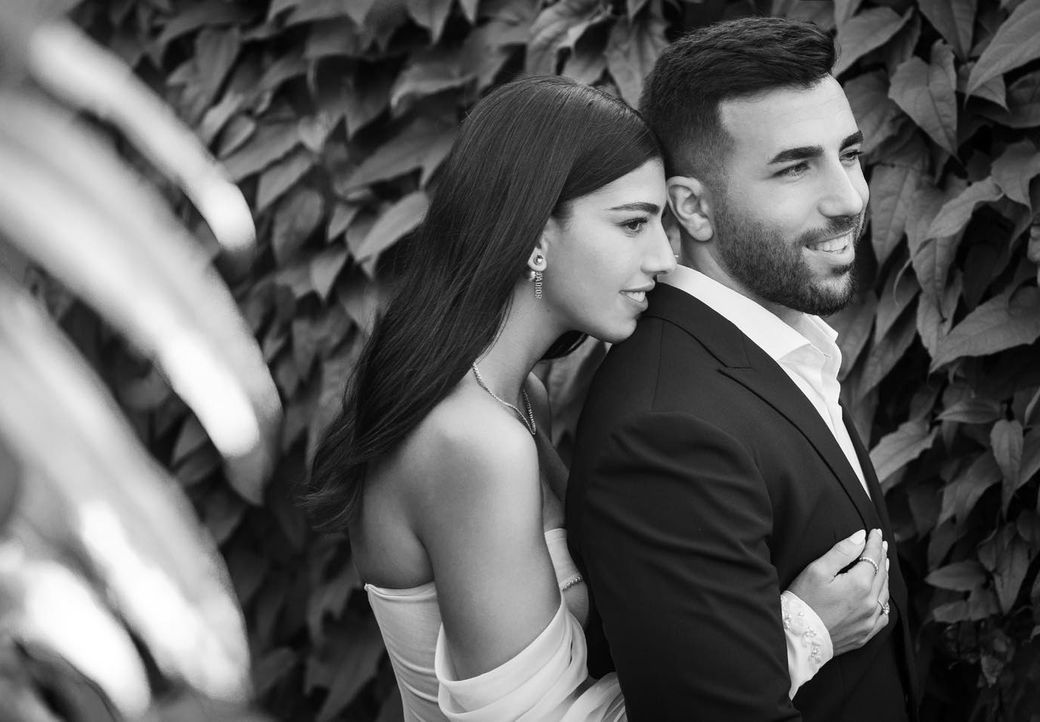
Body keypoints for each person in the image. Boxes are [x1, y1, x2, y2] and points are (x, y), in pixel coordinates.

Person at [306, 74, 890, 721]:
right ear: (535, 233)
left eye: (661, 222)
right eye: (632, 223)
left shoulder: (515, 398)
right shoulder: (474, 439)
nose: (664, 257)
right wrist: (800, 633)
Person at [566, 16, 918, 722]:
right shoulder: (664, 431)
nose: (849, 199)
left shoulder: (780, 346)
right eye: (795, 167)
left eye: (848, 154)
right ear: (693, 208)